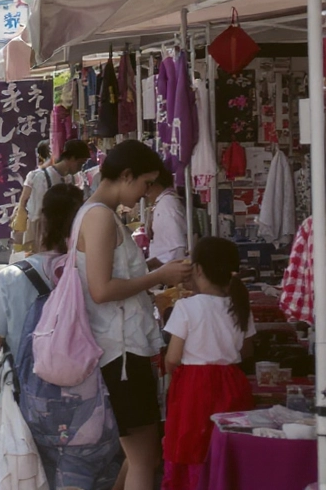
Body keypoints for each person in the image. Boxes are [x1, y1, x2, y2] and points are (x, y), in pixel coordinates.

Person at [0, 184, 124, 490]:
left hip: (31, 403)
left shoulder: (12, 277)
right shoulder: (97, 273)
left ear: (41, 222)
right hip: (93, 399)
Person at [73, 140, 192, 490]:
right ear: (126, 175)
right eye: (145, 183)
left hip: (120, 347)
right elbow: (102, 289)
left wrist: (153, 268)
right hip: (119, 351)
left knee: (140, 455)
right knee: (144, 458)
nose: (144, 193)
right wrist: (159, 276)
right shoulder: (99, 217)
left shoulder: (96, 213)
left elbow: (110, 277)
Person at [161, 236, 255, 490]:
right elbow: (246, 350)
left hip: (194, 386)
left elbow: (172, 357)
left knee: (191, 445)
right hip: (232, 383)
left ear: (198, 269)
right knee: (227, 448)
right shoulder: (240, 306)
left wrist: (173, 372)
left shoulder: (186, 307)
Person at [15, 140, 90, 257]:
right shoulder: (42, 177)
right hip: (44, 232)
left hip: (64, 232)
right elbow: (37, 212)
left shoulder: (73, 178)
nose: (80, 168)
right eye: (80, 163)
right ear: (71, 158)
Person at [145, 167, 188, 270]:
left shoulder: (167, 204)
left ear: (154, 185)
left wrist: (146, 267)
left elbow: (176, 250)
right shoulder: (164, 202)